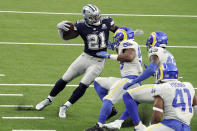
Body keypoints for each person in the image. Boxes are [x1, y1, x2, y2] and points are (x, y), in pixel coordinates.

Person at [35, 4, 119, 118]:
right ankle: (49, 99)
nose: (97, 18)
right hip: (85, 57)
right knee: (65, 78)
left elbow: (117, 30)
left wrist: (126, 34)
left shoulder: (107, 21)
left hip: (98, 61)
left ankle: (65, 106)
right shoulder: (80, 25)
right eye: (94, 17)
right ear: (87, 18)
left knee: (83, 85)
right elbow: (66, 38)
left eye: (98, 15)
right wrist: (59, 29)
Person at [104, 31, 177, 130]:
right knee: (136, 98)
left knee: (128, 95)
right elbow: (166, 72)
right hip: (174, 88)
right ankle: (119, 121)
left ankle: (138, 126)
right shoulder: (169, 54)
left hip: (162, 88)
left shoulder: (155, 50)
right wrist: (154, 73)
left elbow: (151, 68)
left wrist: (134, 81)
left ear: (153, 40)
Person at [84, 27, 143, 131]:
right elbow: (125, 53)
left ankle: (100, 126)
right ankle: (110, 110)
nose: (116, 40)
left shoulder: (128, 43)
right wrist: (115, 48)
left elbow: (129, 57)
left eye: (117, 38)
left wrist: (109, 55)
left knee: (108, 99)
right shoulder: (130, 44)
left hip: (130, 80)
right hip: (130, 79)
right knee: (98, 82)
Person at [145, 64, 197, 131]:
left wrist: (151, 127)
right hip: (186, 127)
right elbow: (196, 107)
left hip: (170, 125)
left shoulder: (161, 88)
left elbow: (157, 117)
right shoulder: (188, 86)